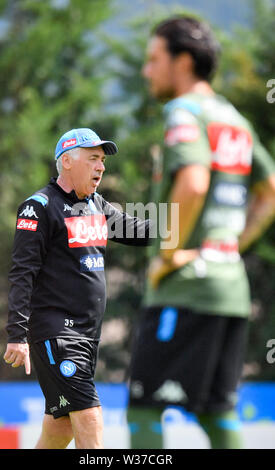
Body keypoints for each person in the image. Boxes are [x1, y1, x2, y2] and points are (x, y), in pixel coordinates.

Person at [127, 16, 275, 449]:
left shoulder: (184, 111)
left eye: (154, 59)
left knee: (143, 411)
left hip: (185, 290)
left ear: (183, 61)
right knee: (216, 414)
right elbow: (269, 191)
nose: (146, 71)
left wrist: (169, 254)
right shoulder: (233, 117)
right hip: (229, 289)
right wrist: (230, 246)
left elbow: (193, 182)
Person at [3, 127, 151, 449]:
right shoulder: (38, 206)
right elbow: (21, 273)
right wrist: (17, 334)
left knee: (59, 430)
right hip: (57, 333)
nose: (101, 167)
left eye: (102, 161)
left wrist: (191, 223)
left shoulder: (97, 205)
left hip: (87, 336)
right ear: (67, 161)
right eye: (94, 159)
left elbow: (143, 232)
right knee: (89, 415)